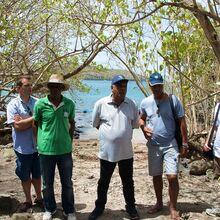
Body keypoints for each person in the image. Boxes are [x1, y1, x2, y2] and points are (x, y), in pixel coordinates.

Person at [89, 75, 140, 220]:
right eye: (119, 86)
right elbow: (96, 124)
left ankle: (131, 208)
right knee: (103, 182)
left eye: (124, 86)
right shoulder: (101, 103)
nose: (122, 89)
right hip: (107, 153)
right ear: (112, 87)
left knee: (128, 182)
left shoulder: (132, 104)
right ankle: (99, 208)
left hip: (126, 152)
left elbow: (134, 125)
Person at [139, 72, 188, 220]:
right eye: (154, 86)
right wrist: (143, 128)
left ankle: (173, 208)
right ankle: (159, 203)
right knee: (156, 176)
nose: (157, 89)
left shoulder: (173, 100)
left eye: (159, 85)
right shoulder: (145, 102)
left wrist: (184, 143)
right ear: (150, 86)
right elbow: (141, 119)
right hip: (153, 145)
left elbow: (182, 122)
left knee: (172, 176)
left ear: (163, 84)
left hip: (170, 144)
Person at [33, 73, 77, 220]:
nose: (55, 89)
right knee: (47, 184)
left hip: (65, 150)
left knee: (67, 183)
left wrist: (69, 141)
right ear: (49, 87)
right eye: (52, 86)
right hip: (46, 151)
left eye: (58, 86)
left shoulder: (69, 104)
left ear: (62, 88)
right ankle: (49, 209)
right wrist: (38, 142)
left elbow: (72, 123)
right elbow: (35, 123)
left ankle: (69, 210)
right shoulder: (40, 104)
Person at [6, 75, 43, 212]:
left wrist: (24, 121)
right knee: (25, 175)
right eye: (27, 85)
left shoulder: (38, 102)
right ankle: (28, 200)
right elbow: (17, 126)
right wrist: (33, 119)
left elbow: (41, 123)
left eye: (30, 85)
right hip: (22, 148)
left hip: (38, 146)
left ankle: (39, 198)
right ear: (18, 88)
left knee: (38, 175)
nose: (30, 87)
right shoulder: (12, 104)